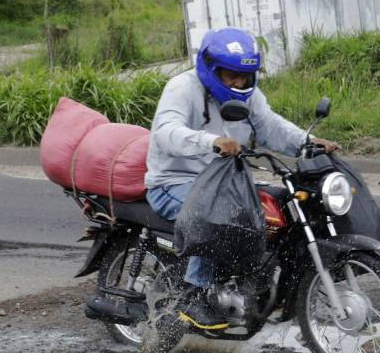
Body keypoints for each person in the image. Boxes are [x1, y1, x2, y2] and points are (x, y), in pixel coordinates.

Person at [144, 27, 338, 329]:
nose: (238, 82)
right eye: (229, 76)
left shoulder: (251, 97)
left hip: (225, 182)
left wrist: (307, 141)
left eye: (243, 77)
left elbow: (270, 126)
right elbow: (166, 131)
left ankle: (253, 282)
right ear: (210, 70)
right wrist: (210, 141)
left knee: (277, 210)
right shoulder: (182, 88)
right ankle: (194, 296)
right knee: (216, 215)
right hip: (175, 181)